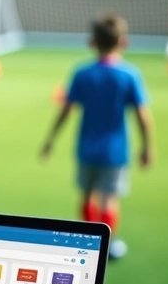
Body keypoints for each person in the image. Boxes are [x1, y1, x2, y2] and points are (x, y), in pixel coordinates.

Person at [41, 14, 153, 261]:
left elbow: (66, 110)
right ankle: (109, 243)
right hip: (115, 150)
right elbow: (142, 115)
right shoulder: (129, 75)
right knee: (109, 199)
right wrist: (147, 147)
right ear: (124, 42)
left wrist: (50, 139)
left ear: (91, 42)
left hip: (87, 149)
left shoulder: (83, 74)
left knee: (87, 194)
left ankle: (88, 242)